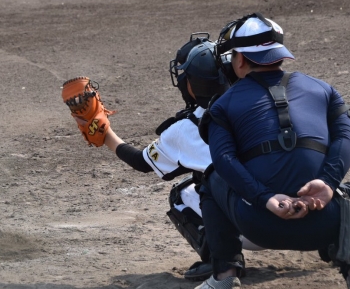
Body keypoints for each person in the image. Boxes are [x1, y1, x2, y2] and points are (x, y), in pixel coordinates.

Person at [194, 13, 350, 289]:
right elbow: (347, 137)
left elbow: (223, 159)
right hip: (326, 221)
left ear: (239, 60)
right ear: (279, 54)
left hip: (258, 223)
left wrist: (264, 197)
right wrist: (328, 183)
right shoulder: (324, 89)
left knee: (212, 178)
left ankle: (224, 276)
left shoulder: (223, 105)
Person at [100, 33, 261, 280]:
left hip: (251, 228)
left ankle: (220, 259)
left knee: (184, 193)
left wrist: (105, 133)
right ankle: (325, 238)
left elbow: (142, 162)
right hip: (295, 215)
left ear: (191, 85)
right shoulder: (261, 101)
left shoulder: (185, 128)